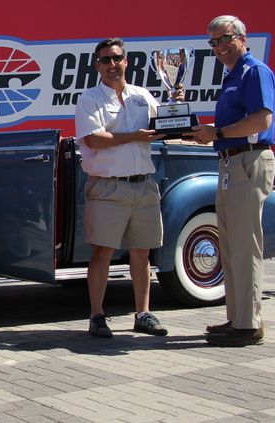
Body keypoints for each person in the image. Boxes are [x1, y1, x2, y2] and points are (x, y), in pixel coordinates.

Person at [186, 15, 275, 347]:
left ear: (242, 38)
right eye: (214, 43)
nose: (220, 47)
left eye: (225, 39)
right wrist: (206, 132)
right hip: (229, 162)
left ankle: (249, 324)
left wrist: (218, 132)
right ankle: (237, 319)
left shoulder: (254, 72)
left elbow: (261, 118)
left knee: (245, 245)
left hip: (247, 160)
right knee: (230, 245)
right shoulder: (232, 76)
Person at [75, 37, 172, 338]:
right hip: (108, 187)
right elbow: (93, 139)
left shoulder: (142, 96)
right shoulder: (89, 98)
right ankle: (97, 316)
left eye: (117, 58)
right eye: (105, 60)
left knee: (141, 254)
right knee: (102, 253)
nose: (112, 64)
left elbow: (164, 125)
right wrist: (133, 136)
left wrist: (176, 105)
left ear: (126, 61)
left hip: (144, 185)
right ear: (97, 66)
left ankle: (142, 314)